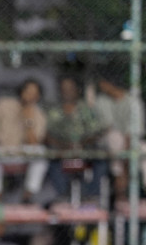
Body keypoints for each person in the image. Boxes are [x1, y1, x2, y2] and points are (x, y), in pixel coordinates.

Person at [0, 80, 47, 203]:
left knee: (41, 153)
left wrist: (28, 119)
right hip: (0, 149)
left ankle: (27, 196)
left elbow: (34, 143)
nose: (30, 95)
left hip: (21, 152)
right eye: (28, 91)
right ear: (21, 91)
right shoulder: (4, 104)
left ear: (38, 96)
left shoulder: (39, 114)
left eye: (34, 93)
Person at [45, 74, 107, 202]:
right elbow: (47, 135)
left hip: (85, 149)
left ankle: (91, 195)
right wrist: (63, 146)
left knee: (102, 159)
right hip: (61, 150)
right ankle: (63, 196)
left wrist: (81, 144)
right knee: (50, 159)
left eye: (70, 88)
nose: (67, 92)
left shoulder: (87, 110)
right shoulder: (53, 111)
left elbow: (97, 132)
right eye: (64, 89)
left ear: (77, 90)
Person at [93, 69, 143, 201]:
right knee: (114, 137)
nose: (100, 85)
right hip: (107, 142)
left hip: (129, 142)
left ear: (109, 83)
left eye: (102, 82)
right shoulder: (101, 101)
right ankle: (120, 191)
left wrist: (127, 151)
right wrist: (124, 157)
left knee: (144, 149)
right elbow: (107, 127)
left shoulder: (133, 101)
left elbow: (134, 130)